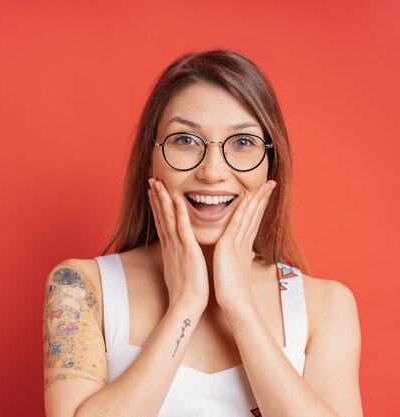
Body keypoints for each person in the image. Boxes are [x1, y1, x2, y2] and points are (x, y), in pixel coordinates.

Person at [42, 49, 363, 417]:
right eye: (186, 141)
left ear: (271, 164)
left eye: (243, 143)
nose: (212, 171)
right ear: (151, 157)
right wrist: (186, 304)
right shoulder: (79, 287)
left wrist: (240, 305)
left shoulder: (325, 305)